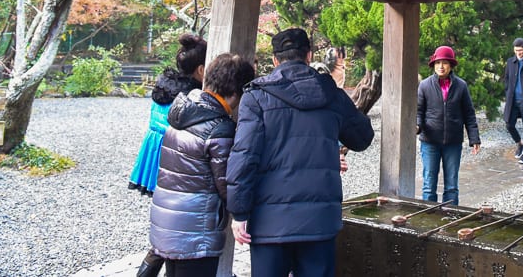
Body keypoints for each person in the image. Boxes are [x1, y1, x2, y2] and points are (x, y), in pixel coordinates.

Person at [226, 27, 374, 277]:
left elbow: (243, 157)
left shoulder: (257, 96)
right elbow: (363, 138)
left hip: (269, 222)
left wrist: (239, 213)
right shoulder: (332, 95)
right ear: (309, 55)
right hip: (320, 220)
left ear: (274, 60)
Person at [148, 52, 257, 277]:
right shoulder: (219, 127)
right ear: (237, 92)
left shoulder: (183, 112)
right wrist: (242, 213)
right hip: (196, 228)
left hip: (168, 219)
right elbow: (227, 182)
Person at [132, 34, 206, 277]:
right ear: (201, 69)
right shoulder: (191, 95)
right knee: (174, 221)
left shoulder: (166, 82)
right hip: (171, 154)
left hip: (153, 151)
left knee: (166, 217)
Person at [416, 45, 481, 205]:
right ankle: (428, 218)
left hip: (453, 142)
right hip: (429, 141)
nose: (441, 66)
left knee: (451, 185)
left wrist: (474, 138)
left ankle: (451, 218)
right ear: (433, 65)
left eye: (445, 63)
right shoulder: (424, 85)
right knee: (428, 185)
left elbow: (469, 113)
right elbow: (418, 110)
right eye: (438, 63)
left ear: (451, 65)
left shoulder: (461, 86)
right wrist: (417, 126)